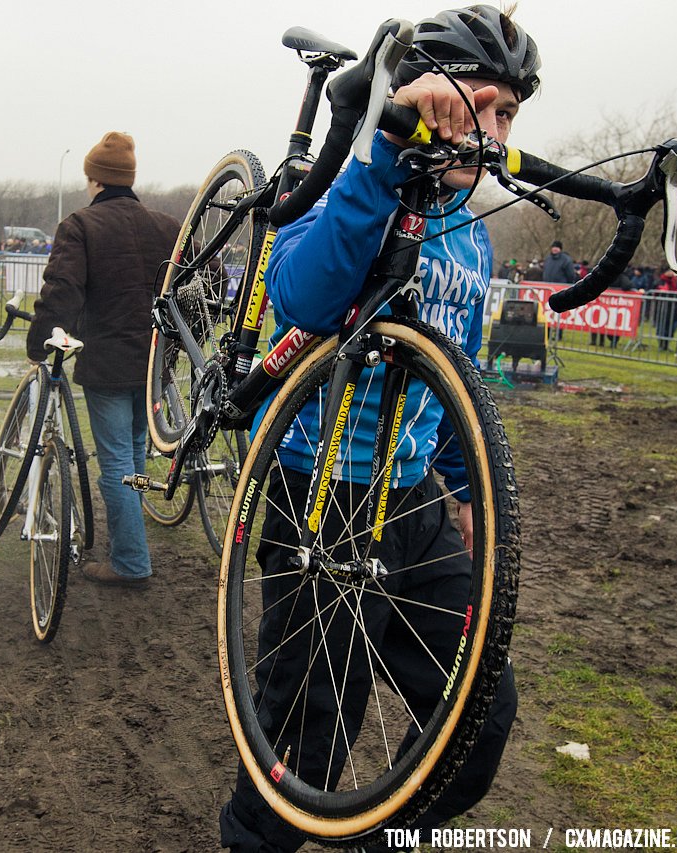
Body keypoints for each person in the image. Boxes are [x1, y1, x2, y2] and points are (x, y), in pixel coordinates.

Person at [219, 6, 530, 851]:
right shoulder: (371, 185)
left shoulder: (474, 238)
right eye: (486, 108)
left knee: (478, 724)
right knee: (305, 740)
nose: (498, 134)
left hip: (413, 499)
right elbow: (304, 294)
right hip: (316, 487)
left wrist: (462, 488)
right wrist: (387, 149)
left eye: (511, 116)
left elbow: (454, 369)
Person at [25, 131, 180, 587]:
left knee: (116, 462)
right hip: (155, 364)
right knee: (131, 455)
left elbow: (62, 291)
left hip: (108, 364)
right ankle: (126, 548)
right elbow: (201, 282)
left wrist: (41, 342)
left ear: (94, 179)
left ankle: (130, 562)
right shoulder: (169, 227)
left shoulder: (80, 225)